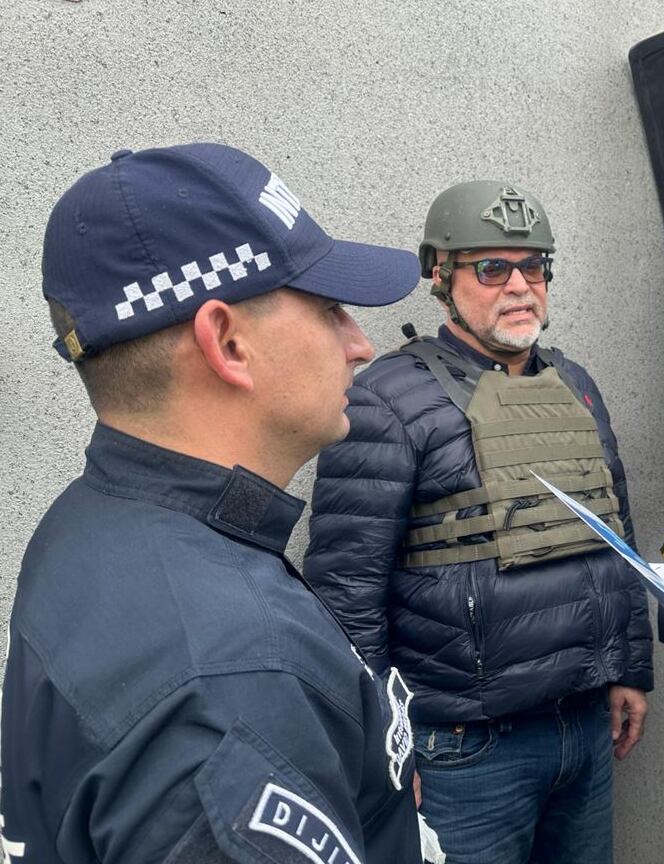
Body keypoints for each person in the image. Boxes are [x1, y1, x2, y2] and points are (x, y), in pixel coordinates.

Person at [1, 143, 426, 863]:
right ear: (227, 343)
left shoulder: (93, 522)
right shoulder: (232, 688)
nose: (359, 344)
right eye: (329, 309)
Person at [304, 180, 653, 864]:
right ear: (441, 275)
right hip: (464, 751)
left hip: (583, 727)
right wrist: (381, 750)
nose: (520, 285)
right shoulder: (387, 399)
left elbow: (617, 538)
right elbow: (344, 594)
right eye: (493, 269)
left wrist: (630, 669)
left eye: (535, 266)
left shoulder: (576, 385)